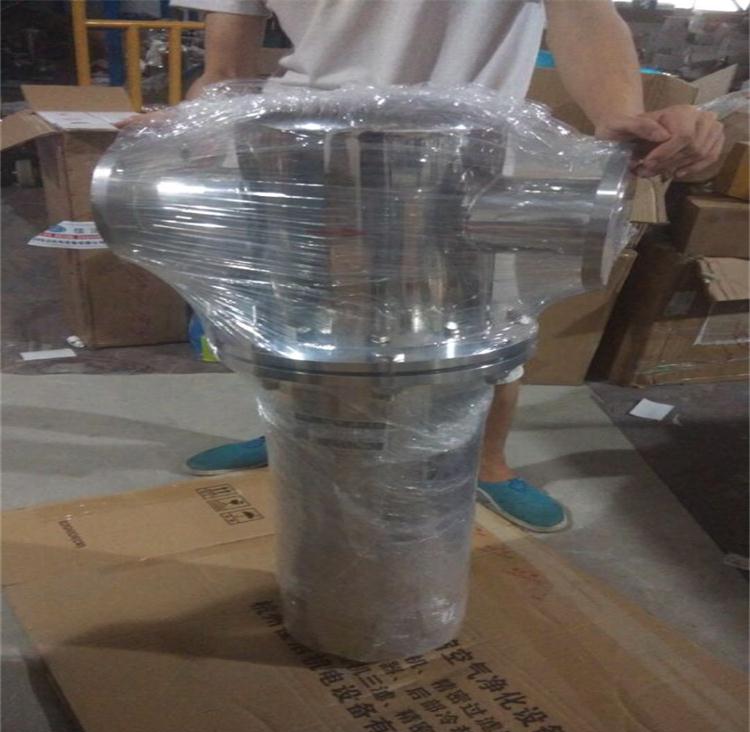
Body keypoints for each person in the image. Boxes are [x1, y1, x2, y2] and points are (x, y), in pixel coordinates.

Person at [167, 0, 723, 531]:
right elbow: (225, 70)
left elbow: (582, 11)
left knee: (487, 327)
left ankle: (487, 464)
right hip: (300, 146)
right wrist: (173, 136)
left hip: (465, 148)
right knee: (297, 319)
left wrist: (618, 114)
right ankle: (291, 434)